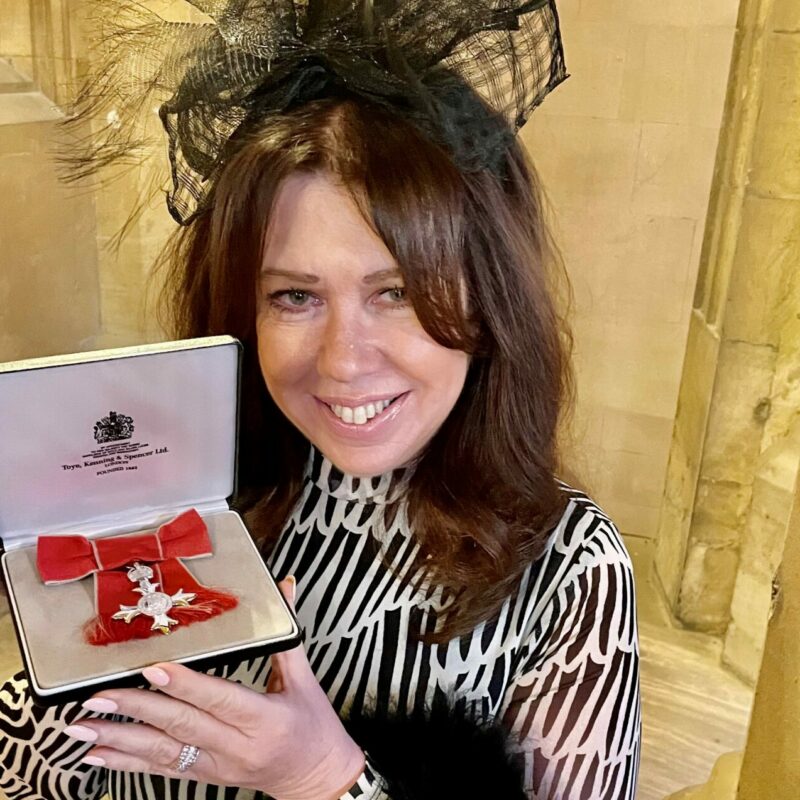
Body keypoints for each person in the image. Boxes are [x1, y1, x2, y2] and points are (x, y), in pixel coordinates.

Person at [0, 2, 641, 799]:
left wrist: (326, 778)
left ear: (489, 300)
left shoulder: (570, 570)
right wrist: (58, 642)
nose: (342, 361)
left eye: (399, 290)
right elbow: (40, 771)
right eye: (295, 296)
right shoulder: (191, 499)